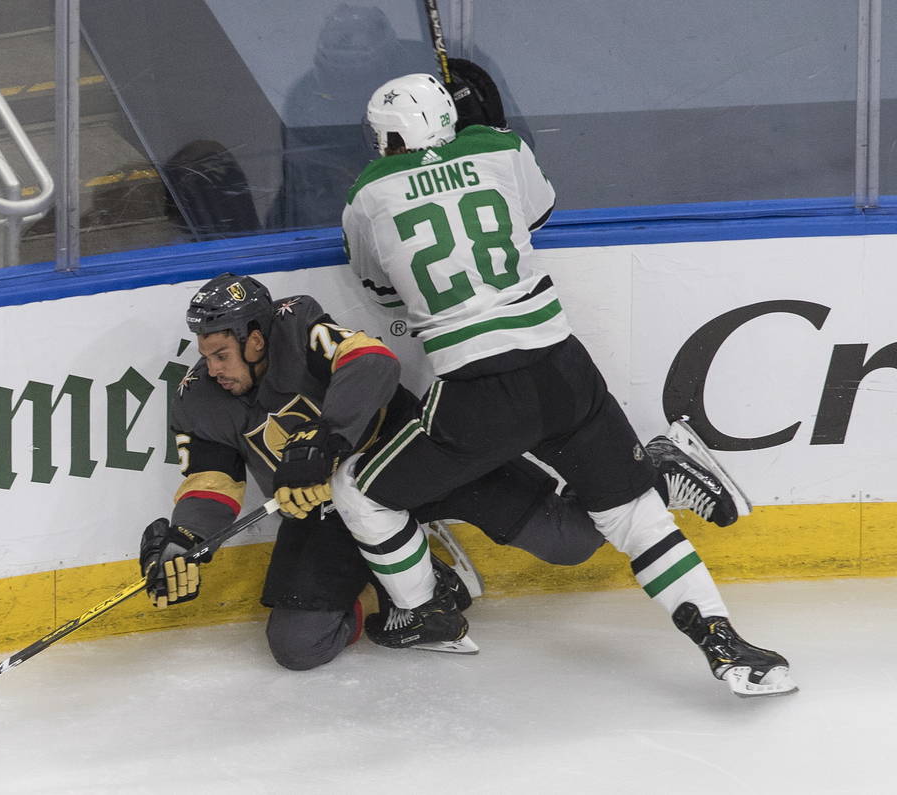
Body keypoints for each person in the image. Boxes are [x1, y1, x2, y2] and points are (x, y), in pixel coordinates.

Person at [335, 73, 795, 697]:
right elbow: (539, 211)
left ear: (388, 137)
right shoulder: (500, 147)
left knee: (358, 491)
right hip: (563, 368)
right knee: (636, 518)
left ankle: (424, 612)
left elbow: (381, 286)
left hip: (477, 391)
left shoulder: (365, 194)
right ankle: (724, 642)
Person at [138, 272, 747, 673]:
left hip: (417, 456)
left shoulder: (299, 328)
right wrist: (185, 536)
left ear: (255, 338)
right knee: (298, 647)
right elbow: (210, 480)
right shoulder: (200, 398)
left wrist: (326, 441)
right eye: (204, 354)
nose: (212, 367)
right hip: (328, 510)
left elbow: (372, 363)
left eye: (220, 352)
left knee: (570, 544)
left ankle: (659, 469)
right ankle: (421, 575)